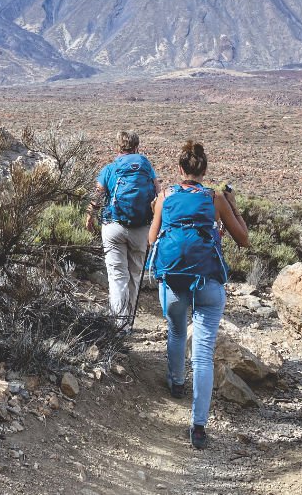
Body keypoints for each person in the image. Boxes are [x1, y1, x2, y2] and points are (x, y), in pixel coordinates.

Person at [148, 140, 248, 450]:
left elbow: (152, 239)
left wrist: (158, 210)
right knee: (203, 354)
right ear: (204, 170)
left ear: (180, 169)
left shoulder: (165, 197)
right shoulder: (214, 197)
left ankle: (176, 383)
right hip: (208, 282)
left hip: (174, 280)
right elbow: (243, 240)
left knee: (177, 331)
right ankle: (199, 426)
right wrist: (232, 205)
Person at [85, 130, 159, 331]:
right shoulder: (146, 167)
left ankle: (118, 326)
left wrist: (89, 215)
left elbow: (98, 194)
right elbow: (158, 194)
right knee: (134, 277)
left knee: (117, 277)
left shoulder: (110, 168)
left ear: (117, 147)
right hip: (141, 229)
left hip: (113, 227)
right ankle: (127, 325)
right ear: (137, 147)